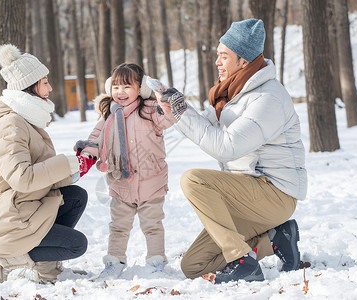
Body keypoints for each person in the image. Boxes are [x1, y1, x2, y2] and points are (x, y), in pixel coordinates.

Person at [150, 19, 307, 284]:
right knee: (194, 265)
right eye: (218, 55)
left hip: (274, 193)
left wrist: (181, 112)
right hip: (245, 194)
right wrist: (175, 111)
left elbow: (226, 147)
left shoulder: (268, 98)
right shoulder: (233, 95)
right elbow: (206, 127)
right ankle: (275, 239)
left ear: (244, 61)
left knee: (193, 180)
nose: (217, 62)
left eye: (224, 56)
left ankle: (241, 260)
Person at [0, 44, 93, 284]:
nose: (50, 87)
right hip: (2, 218)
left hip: (19, 205)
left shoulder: (27, 119)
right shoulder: (10, 124)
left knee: (75, 195)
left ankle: (47, 267)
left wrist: (77, 166)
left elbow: (41, 173)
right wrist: (65, 163)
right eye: (45, 82)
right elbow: (22, 178)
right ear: (30, 86)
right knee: (77, 245)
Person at [74, 63, 175, 279]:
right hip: (121, 182)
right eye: (116, 87)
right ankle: (115, 261)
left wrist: (166, 100)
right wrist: (87, 155)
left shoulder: (149, 110)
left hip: (151, 180)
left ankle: (156, 262)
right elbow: (95, 139)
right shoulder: (108, 115)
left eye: (127, 87)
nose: (121, 92)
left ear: (140, 89)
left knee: (153, 225)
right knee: (119, 226)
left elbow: (168, 119)